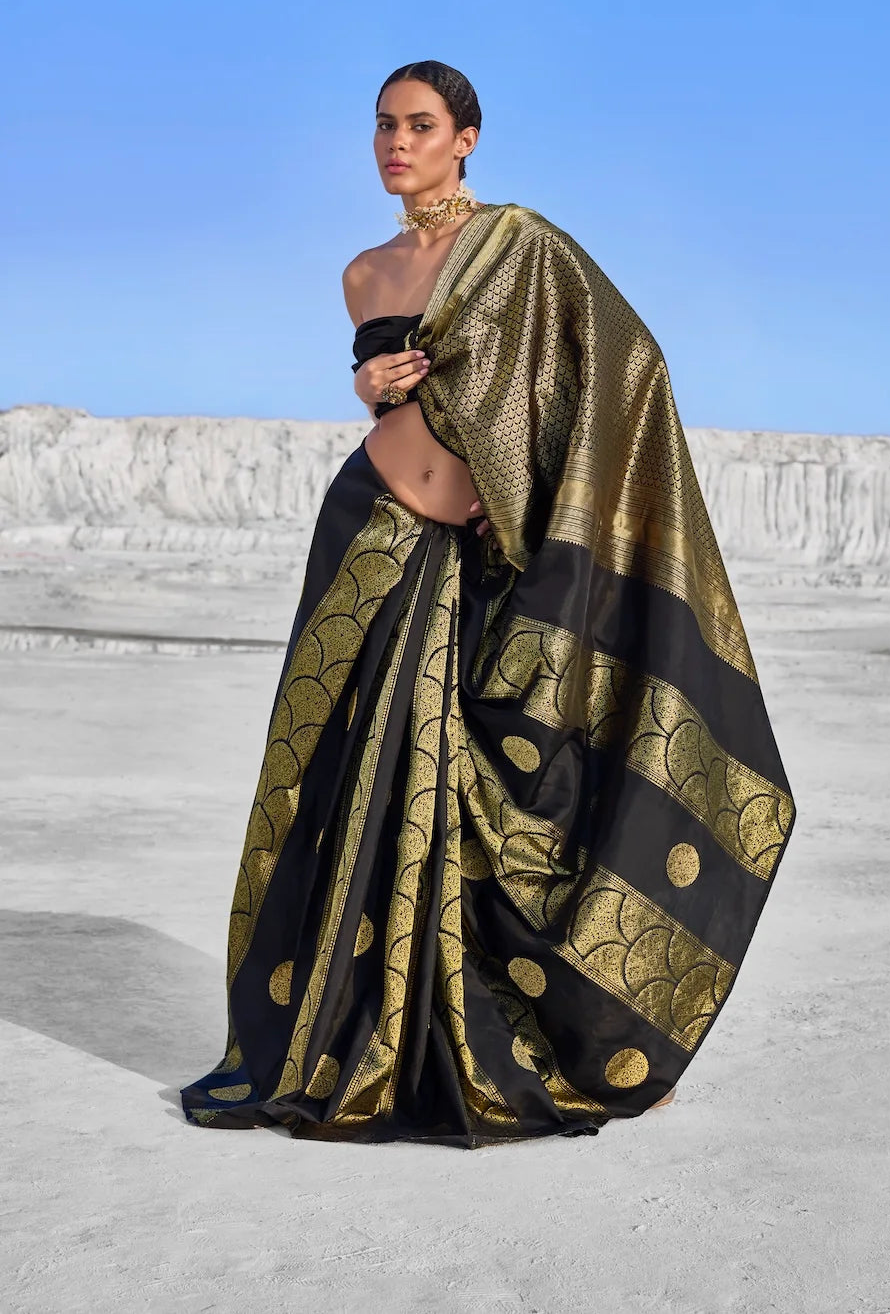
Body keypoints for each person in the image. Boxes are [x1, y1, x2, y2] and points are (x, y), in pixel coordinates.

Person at [181, 59, 795, 1147]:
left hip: (476, 560)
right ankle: (334, 1032)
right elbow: (382, 380)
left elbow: (623, 367)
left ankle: (471, 1036)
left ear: (468, 137)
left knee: (467, 782)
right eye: (383, 126)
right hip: (365, 532)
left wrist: (519, 496)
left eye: (419, 125)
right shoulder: (363, 272)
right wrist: (367, 389)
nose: (395, 144)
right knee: (339, 783)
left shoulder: (521, 248)